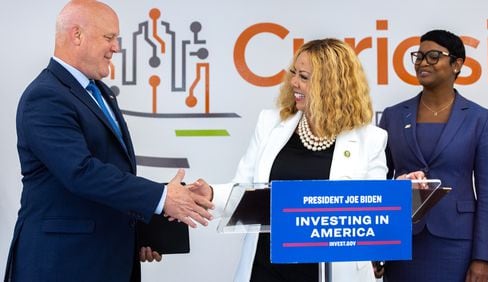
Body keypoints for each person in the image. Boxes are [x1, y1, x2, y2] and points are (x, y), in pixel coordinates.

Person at [3, 1, 213, 281]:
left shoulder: (99, 92)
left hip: (106, 261)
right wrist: (163, 198)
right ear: (76, 35)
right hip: (62, 265)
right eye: (109, 37)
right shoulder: (45, 96)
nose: (116, 47)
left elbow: (110, 174)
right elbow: (81, 172)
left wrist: (140, 231)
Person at [207, 38, 388, 282]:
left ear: (331, 85)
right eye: (294, 73)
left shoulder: (372, 139)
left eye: (304, 77)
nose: (293, 82)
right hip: (267, 270)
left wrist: (402, 192)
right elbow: (243, 189)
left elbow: (373, 211)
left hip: (334, 272)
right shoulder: (269, 123)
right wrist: (207, 194)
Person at [379, 29, 488, 282]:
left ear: (457, 65)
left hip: (457, 245)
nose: (423, 62)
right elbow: (379, 182)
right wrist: (376, 248)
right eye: (419, 56)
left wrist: (482, 258)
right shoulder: (393, 116)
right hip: (402, 240)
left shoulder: (479, 118)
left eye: (433, 56)